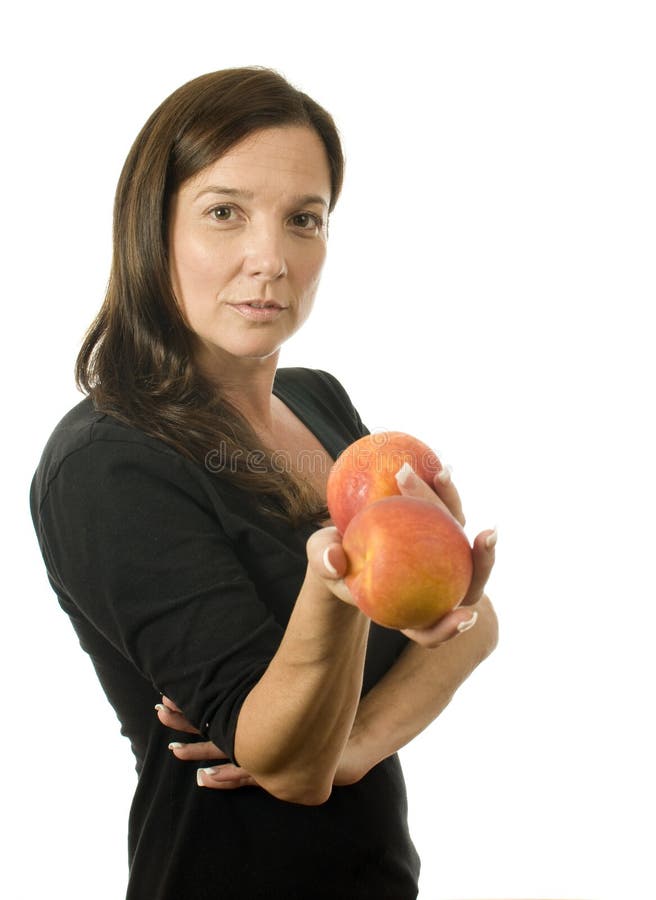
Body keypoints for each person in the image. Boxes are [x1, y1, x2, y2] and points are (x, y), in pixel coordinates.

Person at [30, 67, 498, 900]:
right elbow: (283, 762)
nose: (271, 260)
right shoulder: (107, 464)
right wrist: (344, 588)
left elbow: (471, 622)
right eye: (224, 213)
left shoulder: (319, 402)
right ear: (152, 228)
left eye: (303, 220)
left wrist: (351, 743)